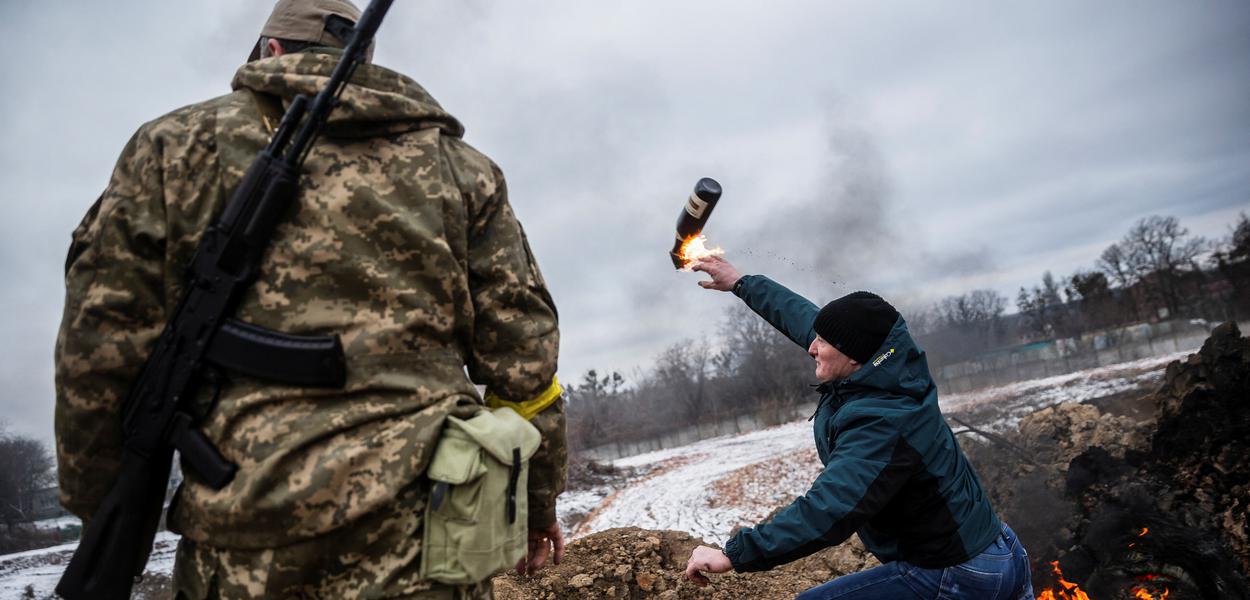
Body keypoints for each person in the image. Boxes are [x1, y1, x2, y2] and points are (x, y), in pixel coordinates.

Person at [54, 1, 565, 598]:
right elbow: (526, 363)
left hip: (245, 544)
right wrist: (535, 502)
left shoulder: (173, 150)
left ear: (271, 50)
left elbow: (97, 358)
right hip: (429, 538)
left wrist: (106, 516)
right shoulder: (463, 171)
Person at [683, 256, 1034, 600]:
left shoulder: (883, 420)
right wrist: (742, 283)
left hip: (958, 574)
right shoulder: (883, 360)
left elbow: (831, 508)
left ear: (853, 358)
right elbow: (808, 320)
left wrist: (734, 554)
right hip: (998, 550)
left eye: (823, 343)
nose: (812, 348)